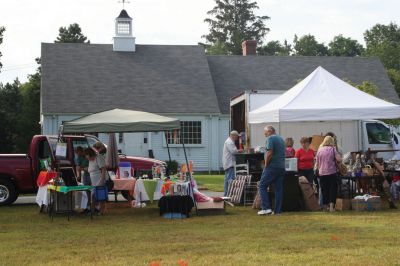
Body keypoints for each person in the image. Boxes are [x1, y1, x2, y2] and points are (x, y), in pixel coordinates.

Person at [258, 126, 286, 215]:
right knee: (278, 189)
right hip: (281, 166)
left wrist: (266, 165)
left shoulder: (270, 139)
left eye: (265, 132)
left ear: (270, 131)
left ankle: (266, 208)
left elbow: (269, 153)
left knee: (262, 185)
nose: (264, 134)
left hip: (272, 166)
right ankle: (278, 211)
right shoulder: (281, 139)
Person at [316, 136, 342, 212]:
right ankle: (331, 207)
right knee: (332, 189)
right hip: (332, 172)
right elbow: (339, 159)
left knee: (324, 190)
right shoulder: (333, 149)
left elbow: (317, 162)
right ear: (331, 142)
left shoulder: (319, 150)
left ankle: (325, 206)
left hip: (322, 173)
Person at [85, 147, 107, 215]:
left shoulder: (99, 157)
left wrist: (102, 181)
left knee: (101, 196)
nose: (86, 156)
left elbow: (103, 170)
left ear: (90, 154)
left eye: (86, 155)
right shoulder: (90, 160)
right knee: (93, 196)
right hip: (93, 181)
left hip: (100, 179)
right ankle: (92, 211)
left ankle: (101, 211)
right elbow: (91, 171)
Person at [222, 131, 239, 196]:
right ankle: (228, 195)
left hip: (228, 163)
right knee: (230, 180)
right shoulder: (229, 142)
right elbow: (233, 151)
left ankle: (226, 195)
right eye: (236, 136)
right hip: (229, 163)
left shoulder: (229, 141)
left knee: (227, 180)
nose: (237, 138)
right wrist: (239, 150)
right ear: (233, 135)